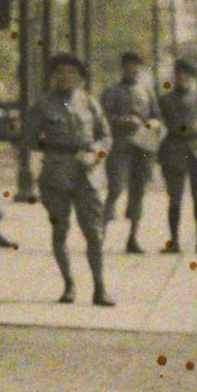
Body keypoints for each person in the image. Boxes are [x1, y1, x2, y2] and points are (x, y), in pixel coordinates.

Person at [27, 52, 114, 306]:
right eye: (60, 72)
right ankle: (69, 284)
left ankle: (100, 287)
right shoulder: (42, 105)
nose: (66, 76)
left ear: (79, 78)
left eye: (71, 72)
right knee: (60, 230)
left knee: (94, 233)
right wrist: (53, 148)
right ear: (53, 77)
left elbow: (105, 137)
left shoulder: (89, 103)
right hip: (56, 176)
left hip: (87, 174)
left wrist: (95, 155)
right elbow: (30, 138)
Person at [100, 50, 161, 255]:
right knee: (115, 188)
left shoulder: (147, 91)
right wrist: (122, 120)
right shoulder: (111, 90)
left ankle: (132, 238)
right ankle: (99, 235)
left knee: (139, 191)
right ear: (123, 67)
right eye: (129, 66)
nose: (133, 70)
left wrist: (152, 123)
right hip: (120, 145)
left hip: (143, 147)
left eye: (137, 66)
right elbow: (102, 118)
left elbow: (156, 115)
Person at [160, 56, 197, 255]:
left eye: (186, 75)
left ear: (192, 77)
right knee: (174, 198)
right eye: (178, 74)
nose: (182, 78)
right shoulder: (165, 100)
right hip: (174, 149)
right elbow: (159, 124)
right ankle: (174, 242)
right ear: (174, 76)